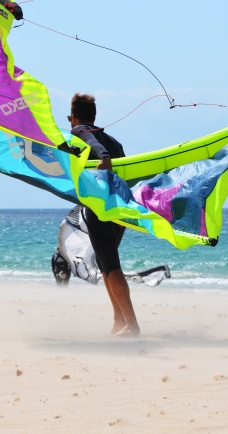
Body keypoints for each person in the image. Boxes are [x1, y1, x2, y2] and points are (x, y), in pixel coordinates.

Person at [68, 93, 140, 336]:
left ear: (73, 117)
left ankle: (132, 324)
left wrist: (104, 159)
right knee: (104, 262)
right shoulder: (114, 140)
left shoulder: (79, 132)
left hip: (99, 207)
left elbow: (95, 146)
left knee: (110, 264)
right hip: (119, 208)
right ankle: (119, 320)